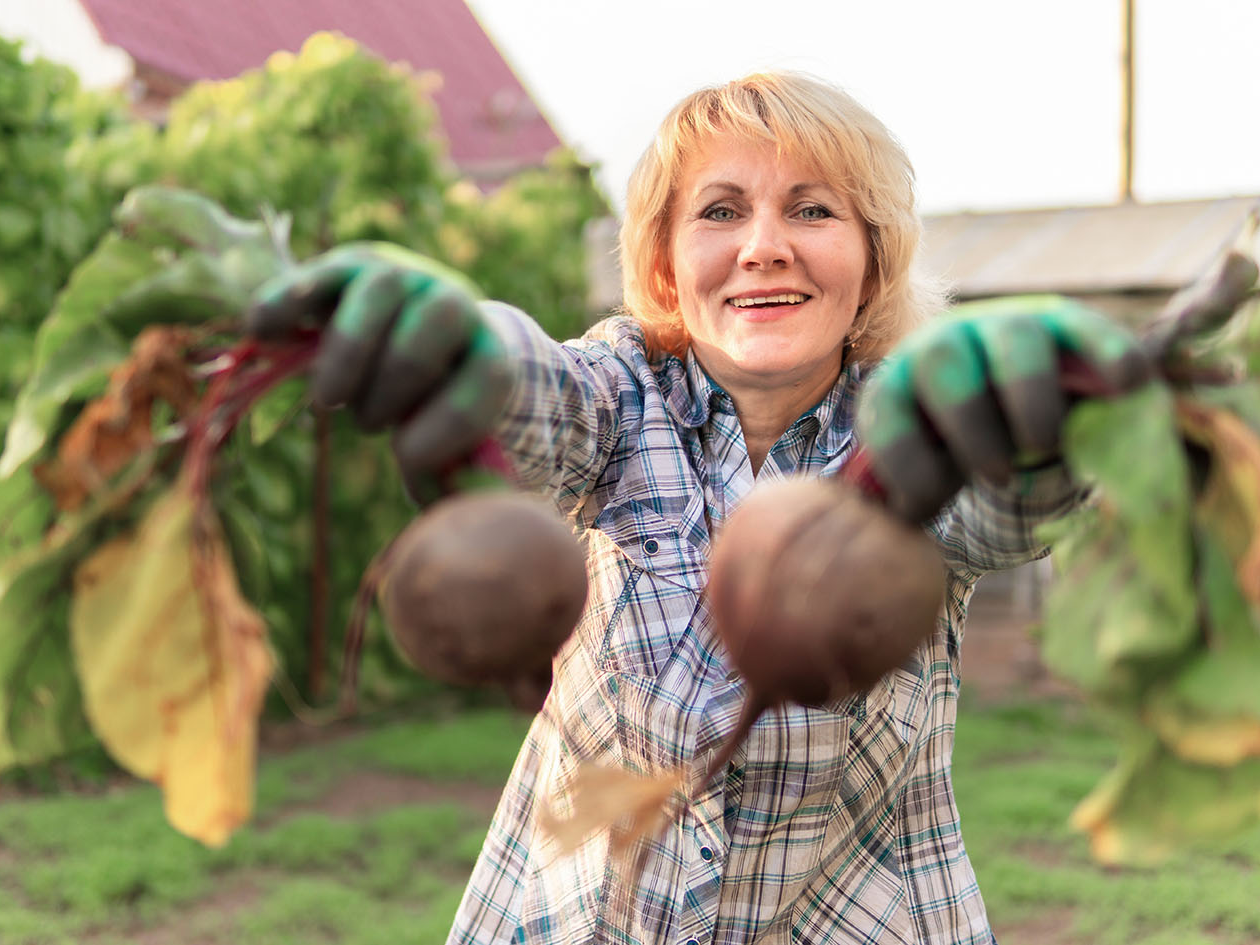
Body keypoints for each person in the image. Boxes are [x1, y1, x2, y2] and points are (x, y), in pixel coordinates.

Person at [250, 72, 1146, 945]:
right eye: (720, 212)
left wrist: (1042, 435)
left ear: (871, 263)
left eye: (812, 209)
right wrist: (454, 338)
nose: (764, 245)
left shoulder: (911, 430)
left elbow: (1005, 509)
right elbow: (530, 384)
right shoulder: (619, 396)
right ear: (666, 267)